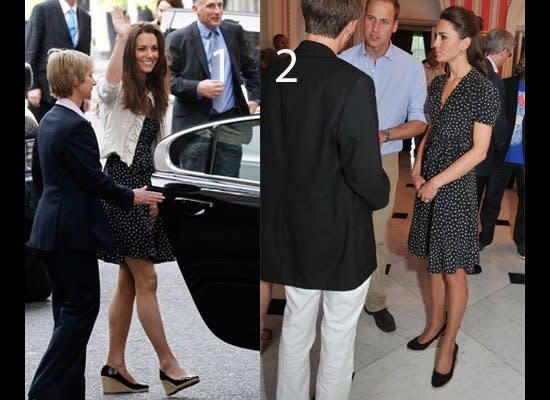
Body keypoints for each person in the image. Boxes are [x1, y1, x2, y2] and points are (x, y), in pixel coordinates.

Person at [261, 0, 390, 398]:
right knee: (337, 335)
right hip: (340, 231)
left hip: (291, 228)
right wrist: (382, 194)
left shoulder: (273, 74)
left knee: (297, 328)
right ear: (350, 27)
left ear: (305, 17)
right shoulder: (351, 82)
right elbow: (363, 171)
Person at [26, 48, 165, 400]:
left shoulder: (49, 121)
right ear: (75, 81)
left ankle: (69, 392)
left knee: (66, 312)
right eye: (88, 75)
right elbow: (94, 180)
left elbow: (43, 181)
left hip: (51, 229)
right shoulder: (75, 126)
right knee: (79, 312)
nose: (92, 80)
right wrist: (132, 196)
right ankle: (43, 391)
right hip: (72, 234)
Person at [95, 7, 199, 397]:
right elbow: (104, 90)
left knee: (127, 280)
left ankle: (114, 368)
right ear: (131, 52)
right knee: (147, 277)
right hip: (120, 186)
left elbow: (158, 150)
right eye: (142, 48)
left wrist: (160, 194)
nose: (149, 54)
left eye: (153, 48)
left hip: (145, 186)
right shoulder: (121, 89)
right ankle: (169, 366)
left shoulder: (160, 92)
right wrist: (122, 34)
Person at [407, 6, 500, 388]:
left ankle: (449, 344)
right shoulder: (436, 83)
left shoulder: (482, 88)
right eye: (435, 36)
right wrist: (417, 163)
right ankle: (432, 326)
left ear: (465, 42)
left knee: (453, 269)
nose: (436, 43)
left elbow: (479, 152)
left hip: (455, 188)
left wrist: (435, 182)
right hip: (429, 181)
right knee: (432, 259)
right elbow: (432, 128)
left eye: (443, 37)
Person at [339, 0, 427, 333]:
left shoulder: (410, 67)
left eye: (384, 21)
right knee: (342, 230)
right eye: (371, 19)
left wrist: (384, 134)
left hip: (384, 160)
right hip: (342, 159)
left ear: (395, 25)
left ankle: (375, 301)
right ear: (363, 20)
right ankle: (342, 295)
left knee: (375, 235)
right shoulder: (343, 61)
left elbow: (420, 120)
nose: (375, 28)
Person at [166, 0, 260, 133]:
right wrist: (198, 88)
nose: (217, 11)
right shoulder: (177, 39)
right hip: (193, 127)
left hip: (230, 123)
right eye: (210, 6)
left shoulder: (234, 32)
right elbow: (167, 81)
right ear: (195, 9)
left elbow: (250, 68)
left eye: (220, 5)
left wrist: (254, 99)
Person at [471, 28, 514, 274]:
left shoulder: (477, 69)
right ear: (505, 51)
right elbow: (497, 122)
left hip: (473, 153)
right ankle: (464, 258)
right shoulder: (493, 79)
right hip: (481, 156)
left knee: (469, 206)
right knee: (470, 208)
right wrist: (502, 146)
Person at [479, 55, 525, 259]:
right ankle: (485, 237)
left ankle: (522, 242)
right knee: (491, 199)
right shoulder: (505, 84)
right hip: (502, 155)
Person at [25, 0, 91, 122]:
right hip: (45, 93)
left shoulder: (85, 17)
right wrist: (32, 87)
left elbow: (85, 56)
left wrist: (87, 95)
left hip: (75, 94)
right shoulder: (42, 10)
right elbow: (30, 49)